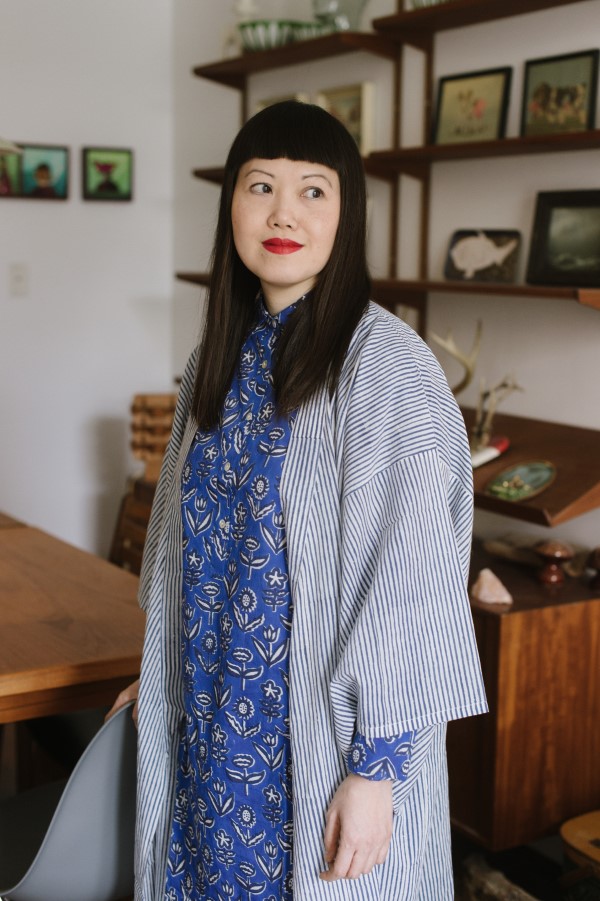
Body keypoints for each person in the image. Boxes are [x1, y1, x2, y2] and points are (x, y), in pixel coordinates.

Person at [108, 100, 487, 901]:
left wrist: (378, 773)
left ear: (346, 213)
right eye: (261, 186)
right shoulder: (220, 353)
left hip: (309, 746)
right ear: (231, 208)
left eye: (313, 190)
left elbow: (411, 583)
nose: (284, 212)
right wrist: (164, 665)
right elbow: (183, 539)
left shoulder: (385, 365)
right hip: (211, 719)